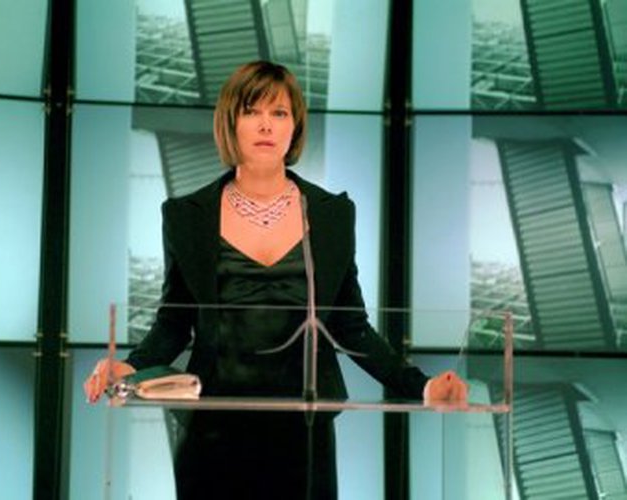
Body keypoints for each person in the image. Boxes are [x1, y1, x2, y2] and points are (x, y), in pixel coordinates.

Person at [84, 60, 467, 500]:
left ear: (294, 125)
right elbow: (173, 324)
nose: (266, 125)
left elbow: (351, 326)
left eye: (279, 112)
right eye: (252, 111)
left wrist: (421, 386)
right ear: (231, 122)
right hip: (213, 429)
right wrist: (128, 367)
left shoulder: (332, 214)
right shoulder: (186, 216)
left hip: (305, 428)